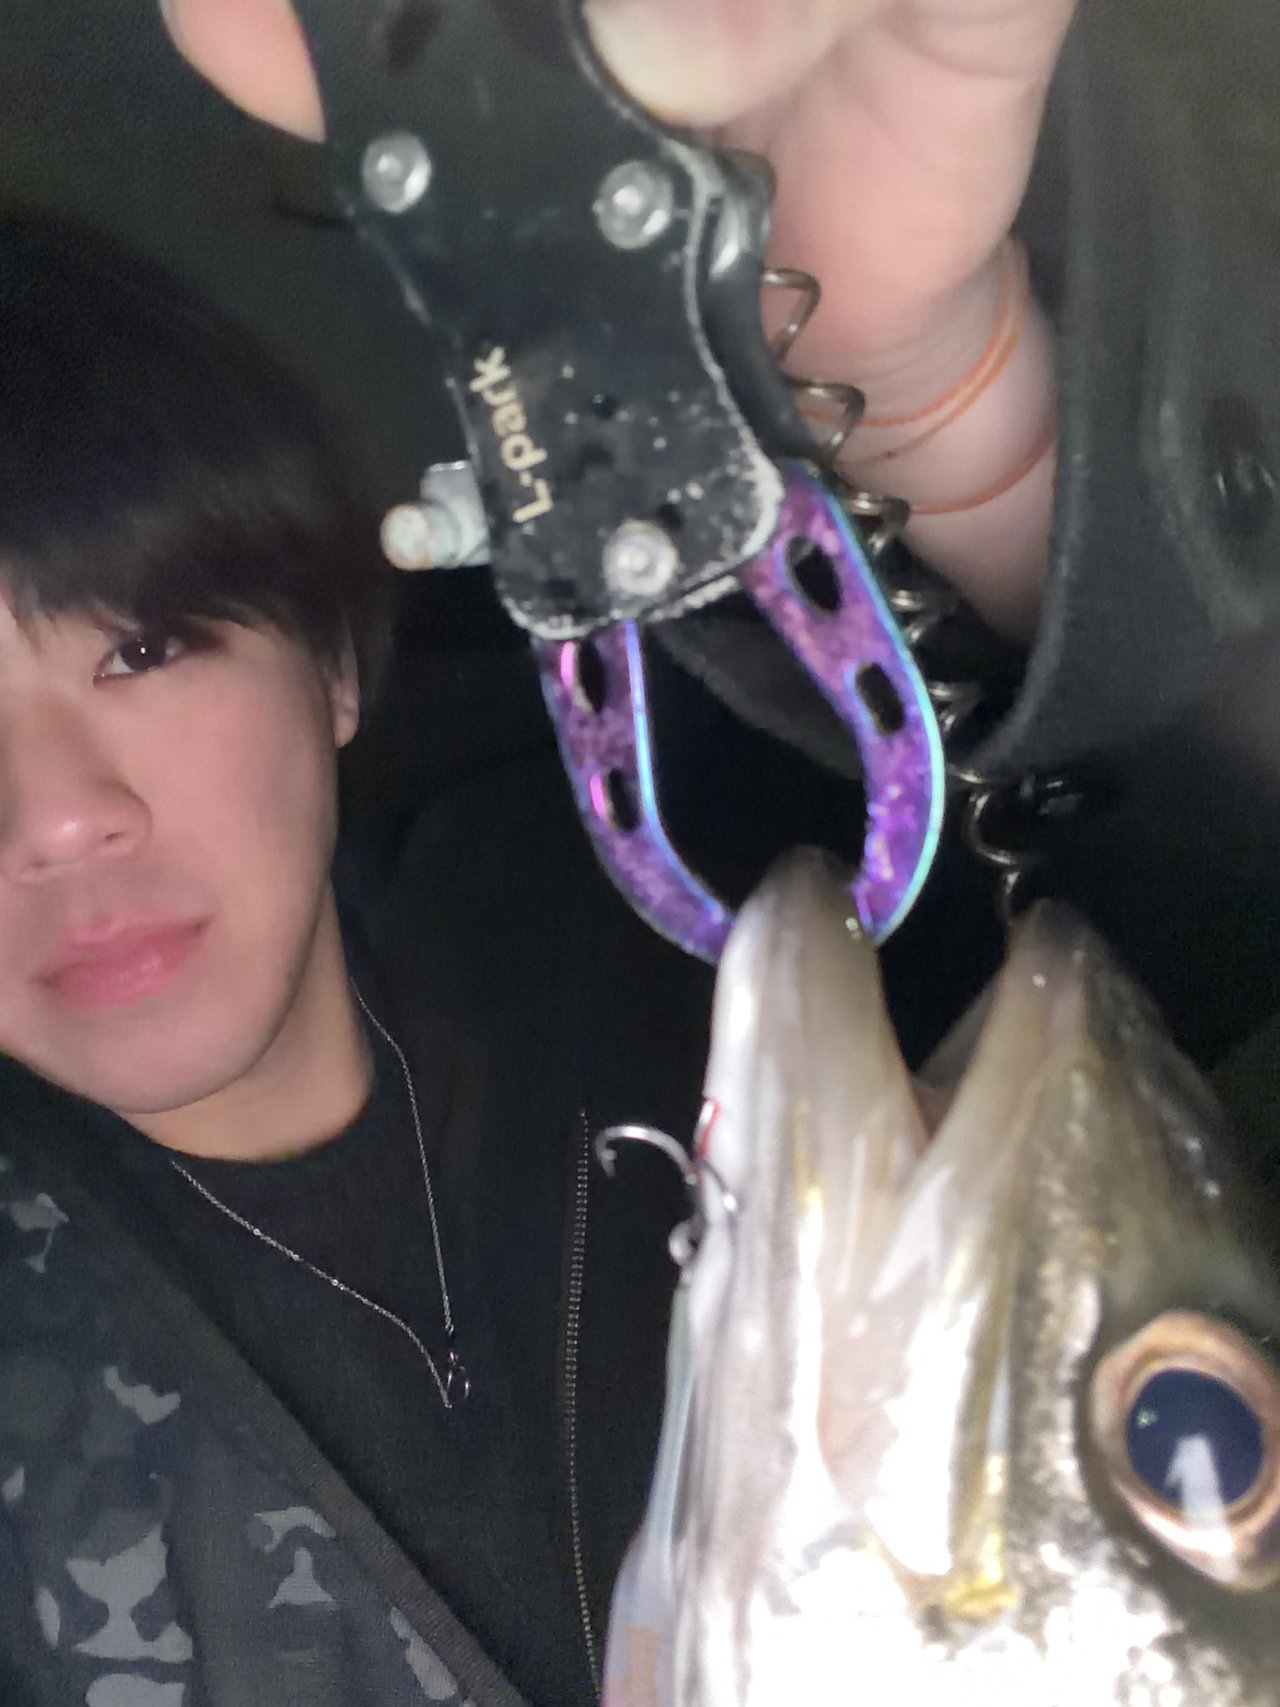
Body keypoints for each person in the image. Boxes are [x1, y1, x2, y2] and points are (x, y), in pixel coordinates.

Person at [4, 2, 1279, 1705]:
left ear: (335, 665)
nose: (56, 814)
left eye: (144, 647)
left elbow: (1194, 904)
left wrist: (949, 397)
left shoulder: (675, 876)